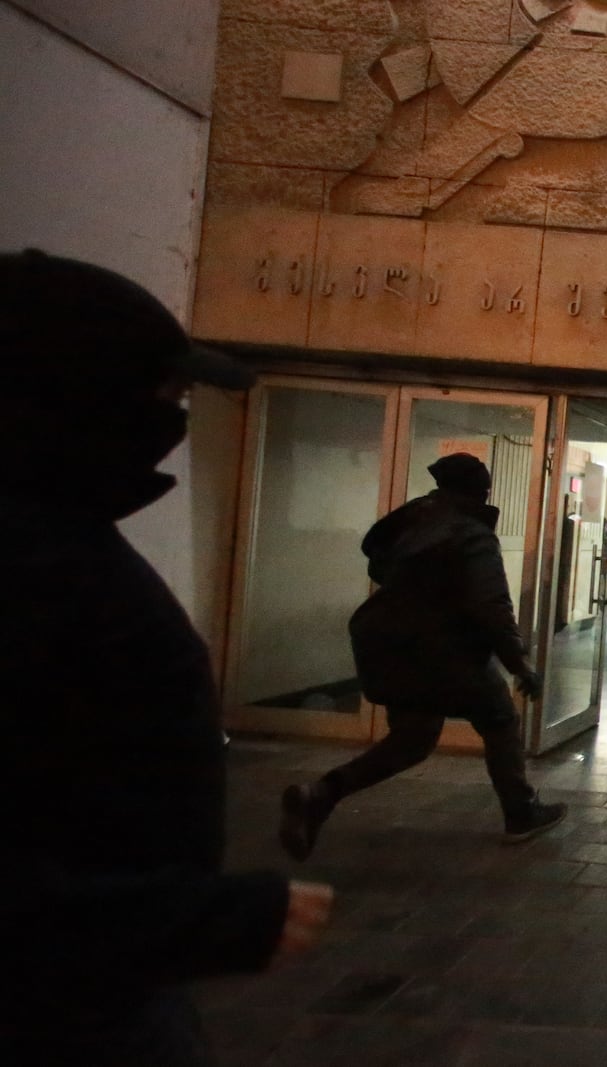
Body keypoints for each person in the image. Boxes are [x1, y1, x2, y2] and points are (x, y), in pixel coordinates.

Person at [0, 249, 332, 1065]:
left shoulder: (57, 530)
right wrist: (196, 920)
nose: (175, 416)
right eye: (162, 392)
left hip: (99, 981)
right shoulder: (33, 559)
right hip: (57, 1005)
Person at [280, 452, 566, 860]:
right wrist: (519, 663)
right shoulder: (471, 534)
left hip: (385, 643)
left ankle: (321, 794)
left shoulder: (414, 522)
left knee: (412, 739)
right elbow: (492, 605)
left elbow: (380, 567)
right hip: (442, 649)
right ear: (480, 491)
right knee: (500, 717)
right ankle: (521, 812)